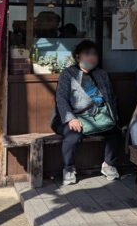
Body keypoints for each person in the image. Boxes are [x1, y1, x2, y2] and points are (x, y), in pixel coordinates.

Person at [52, 40, 123, 185]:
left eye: (94, 54)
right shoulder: (68, 74)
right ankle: (69, 168)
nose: (92, 58)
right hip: (71, 117)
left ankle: (108, 164)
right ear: (77, 57)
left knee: (115, 132)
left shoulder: (102, 74)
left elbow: (111, 97)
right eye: (87, 54)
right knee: (72, 135)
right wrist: (70, 119)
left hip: (97, 117)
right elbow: (61, 99)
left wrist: (113, 117)